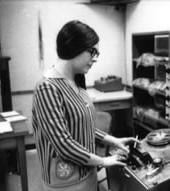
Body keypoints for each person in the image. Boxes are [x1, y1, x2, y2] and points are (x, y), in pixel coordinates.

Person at [32, 20, 138, 191]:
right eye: (92, 52)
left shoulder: (76, 81)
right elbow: (64, 145)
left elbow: (81, 126)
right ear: (74, 46)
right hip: (67, 182)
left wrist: (113, 140)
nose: (95, 59)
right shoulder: (48, 87)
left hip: (88, 172)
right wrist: (103, 161)